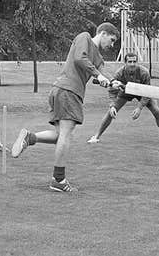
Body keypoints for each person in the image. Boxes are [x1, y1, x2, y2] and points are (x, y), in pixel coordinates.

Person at [11, 22, 119, 192]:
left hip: (62, 92)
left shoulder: (99, 58)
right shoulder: (84, 37)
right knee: (66, 136)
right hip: (68, 91)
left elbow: (101, 74)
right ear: (103, 33)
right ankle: (58, 180)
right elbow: (80, 58)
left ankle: (29, 138)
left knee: (60, 136)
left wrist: (113, 82)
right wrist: (99, 75)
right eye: (111, 40)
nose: (111, 45)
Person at [87, 52, 159, 145]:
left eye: (134, 61)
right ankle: (96, 136)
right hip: (125, 92)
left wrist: (139, 108)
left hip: (142, 92)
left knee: (156, 111)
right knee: (110, 113)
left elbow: (147, 92)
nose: (132, 64)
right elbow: (112, 90)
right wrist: (112, 105)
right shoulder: (120, 73)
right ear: (125, 63)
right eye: (130, 61)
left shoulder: (144, 72)